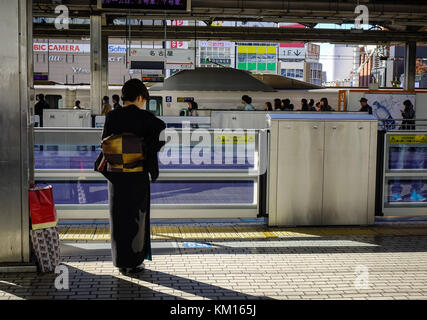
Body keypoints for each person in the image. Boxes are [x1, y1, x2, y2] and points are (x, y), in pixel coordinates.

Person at [99, 79, 166, 274]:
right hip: (137, 176)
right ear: (139, 97)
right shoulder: (147, 119)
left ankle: (120, 261)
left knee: (119, 217)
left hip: (116, 176)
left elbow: (104, 142)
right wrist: (152, 167)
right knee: (137, 218)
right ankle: (135, 261)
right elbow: (159, 130)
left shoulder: (112, 116)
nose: (143, 103)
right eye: (143, 99)